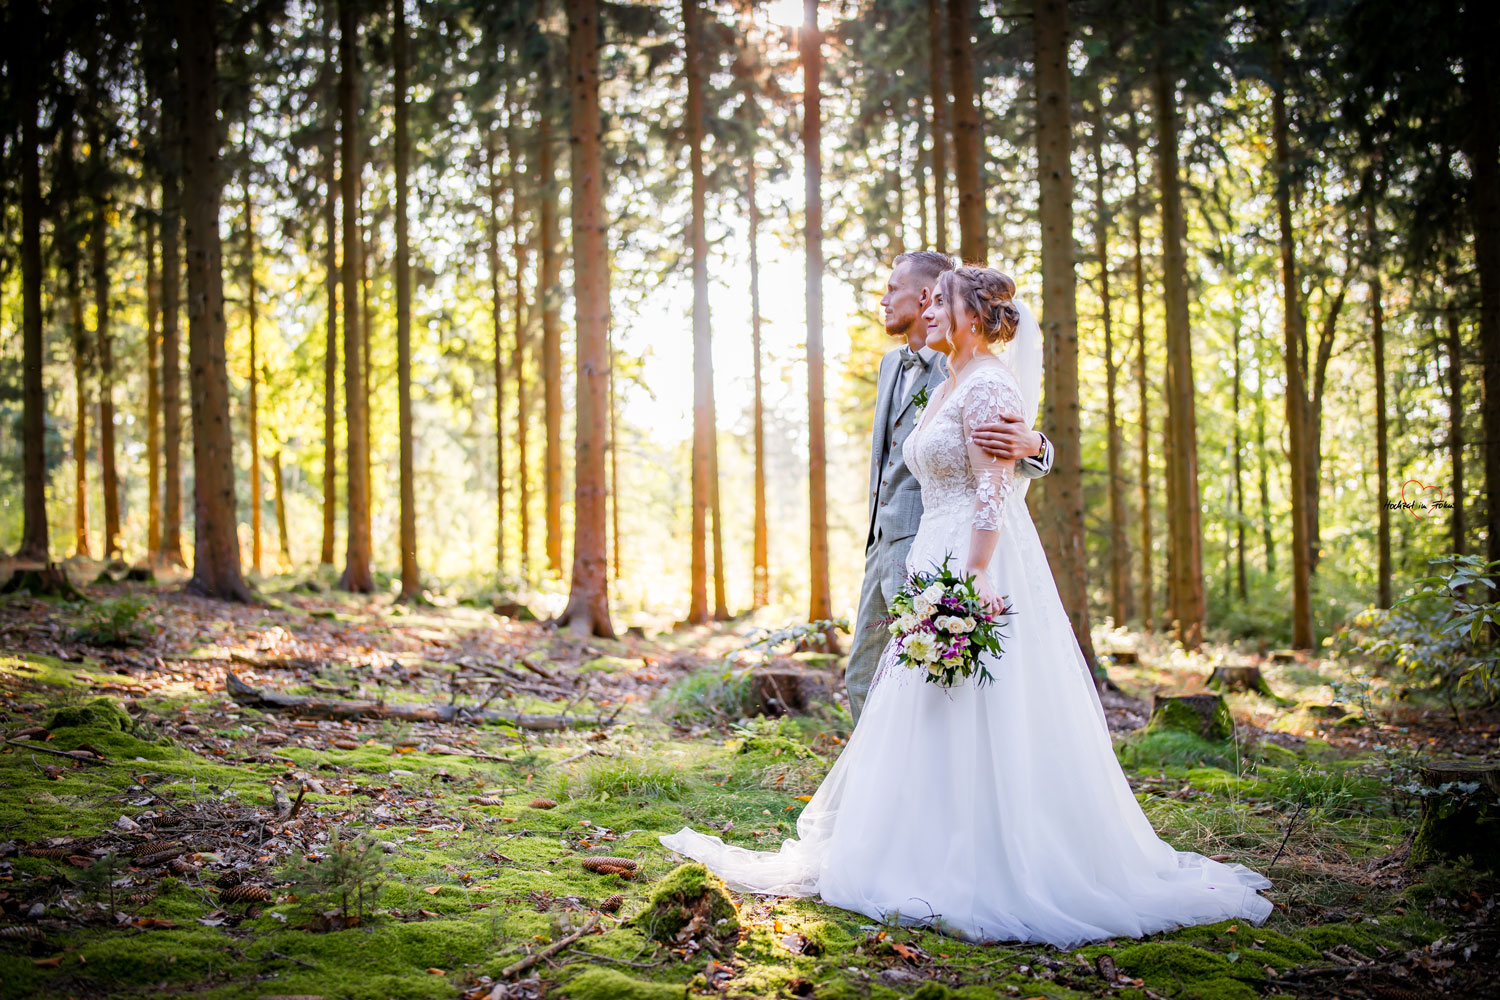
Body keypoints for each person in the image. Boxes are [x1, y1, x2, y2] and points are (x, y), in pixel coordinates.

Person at [660, 267, 1274, 949]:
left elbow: (996, 481)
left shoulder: (984, 381)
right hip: (918, 550)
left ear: (968, 313)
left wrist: (971, 576)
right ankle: (915, 841)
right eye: (920, 302)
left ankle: (983, 854)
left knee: (979, 705)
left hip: (965, 566)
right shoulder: (930, 373)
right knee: (918, 708)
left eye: (934, 301)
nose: (923, 311)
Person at [846, 250, 1051, 725]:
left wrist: (1037, 445)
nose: (883, 299)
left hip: (949, 548)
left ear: (926, 298)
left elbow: (1001, 458)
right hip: (887, 542)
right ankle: (875, 787)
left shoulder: (968, 363)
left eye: (892, 289)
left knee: (934, 686)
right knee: (865, 675)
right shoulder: (892, 366)